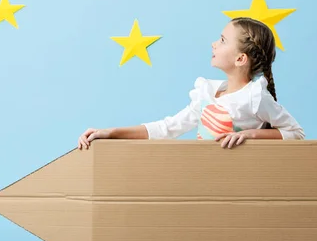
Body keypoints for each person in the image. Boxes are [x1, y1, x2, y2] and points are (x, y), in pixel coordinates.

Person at [77, 17, 305, 149]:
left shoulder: (254, 98)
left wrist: (251, 135)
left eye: (223, 40)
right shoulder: (207, 93)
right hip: (204, 180)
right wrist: (111, 132)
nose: (214, 44)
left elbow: (296, 133)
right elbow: (167, 128)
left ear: (240, 59)